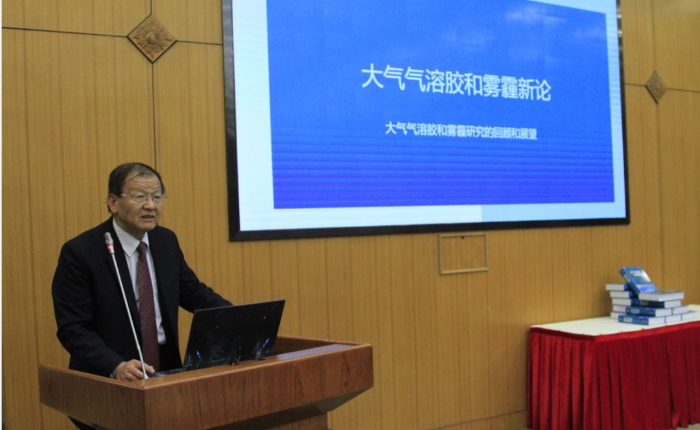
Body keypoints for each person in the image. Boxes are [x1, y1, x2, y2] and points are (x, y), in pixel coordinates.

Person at [52, 162, 232, 427]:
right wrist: (115, 365)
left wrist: (237, 316)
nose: (150, 205)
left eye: (157, 197)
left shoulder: (165, 241)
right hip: (109, 379)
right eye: (139, 196)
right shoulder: (81, 252)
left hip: (164, 370)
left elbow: (192, 292)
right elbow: (73, 328)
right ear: (113, 202)